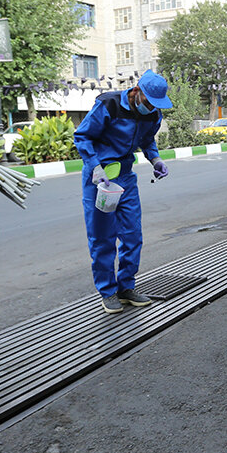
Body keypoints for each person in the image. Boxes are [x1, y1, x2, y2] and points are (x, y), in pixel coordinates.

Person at [75, 70, 172, 314]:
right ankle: (107, 292)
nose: (151, 108)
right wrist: (94, 166)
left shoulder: (153, 114)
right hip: (100, 178)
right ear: (136, 91)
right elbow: (83, 136)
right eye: (149, 102)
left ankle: (126, 287)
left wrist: (155, 159)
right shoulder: (108, 104)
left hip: (125, 178)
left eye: (156, 105)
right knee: (102, 236)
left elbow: (147, 140)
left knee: (132, 234)